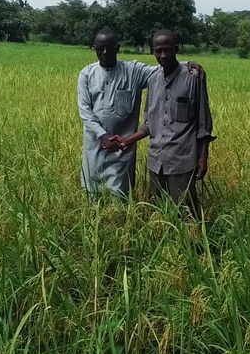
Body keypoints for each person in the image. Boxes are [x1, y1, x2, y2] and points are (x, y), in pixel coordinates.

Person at [77, 28, 203, 200]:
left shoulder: (133, 71)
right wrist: (103, 135)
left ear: (118, 48)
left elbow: (164, 65)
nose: (105, 53)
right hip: (94, 145)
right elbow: (85, 111)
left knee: (119, 195)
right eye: (100, 49)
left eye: (110, 48)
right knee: (92, 192)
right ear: (94, 49)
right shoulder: (86, 74)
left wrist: (188, 63)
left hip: (122, 148)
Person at [112, 29, 216, 218]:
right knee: (158, 213)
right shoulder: (152, 80)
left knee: (186, 213)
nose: (163, 55)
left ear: (176, 49)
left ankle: (196, 246)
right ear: (153, 51)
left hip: (182, 160)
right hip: (156, 160)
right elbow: (149, 124)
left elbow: (203, 123)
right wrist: (127, 141)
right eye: (158, 51)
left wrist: (203, 158)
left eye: (168, 50)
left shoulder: (194, 77)